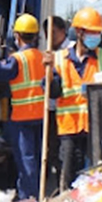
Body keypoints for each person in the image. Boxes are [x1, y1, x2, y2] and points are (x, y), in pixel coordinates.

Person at [0, 14, 45, 200]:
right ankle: (29, 195)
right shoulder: (42, 57)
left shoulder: (17, 60)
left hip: (23, 117)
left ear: (17, 36)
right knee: (35, 159)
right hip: (40, 116)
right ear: (35, 36)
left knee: (26, 160)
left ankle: (30, 198)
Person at [44, 7, 102, 192]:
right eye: (93, 32)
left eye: (98, 33)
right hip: (68, 128)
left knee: (94, 178)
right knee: (68, 177)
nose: (96, 36)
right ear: (80, 32)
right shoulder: (58, 59)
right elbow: (53, 92)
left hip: (96, 128)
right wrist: (48, 73)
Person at [42, 16, 69, 183]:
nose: (49, 37)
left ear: (63, 31)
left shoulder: (68, 52)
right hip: (52, 109)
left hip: (68, 112)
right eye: (46, 34)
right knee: (52, 151)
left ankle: (64, 185)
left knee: (66, 154)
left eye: (53, 33)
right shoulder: (50, 53)